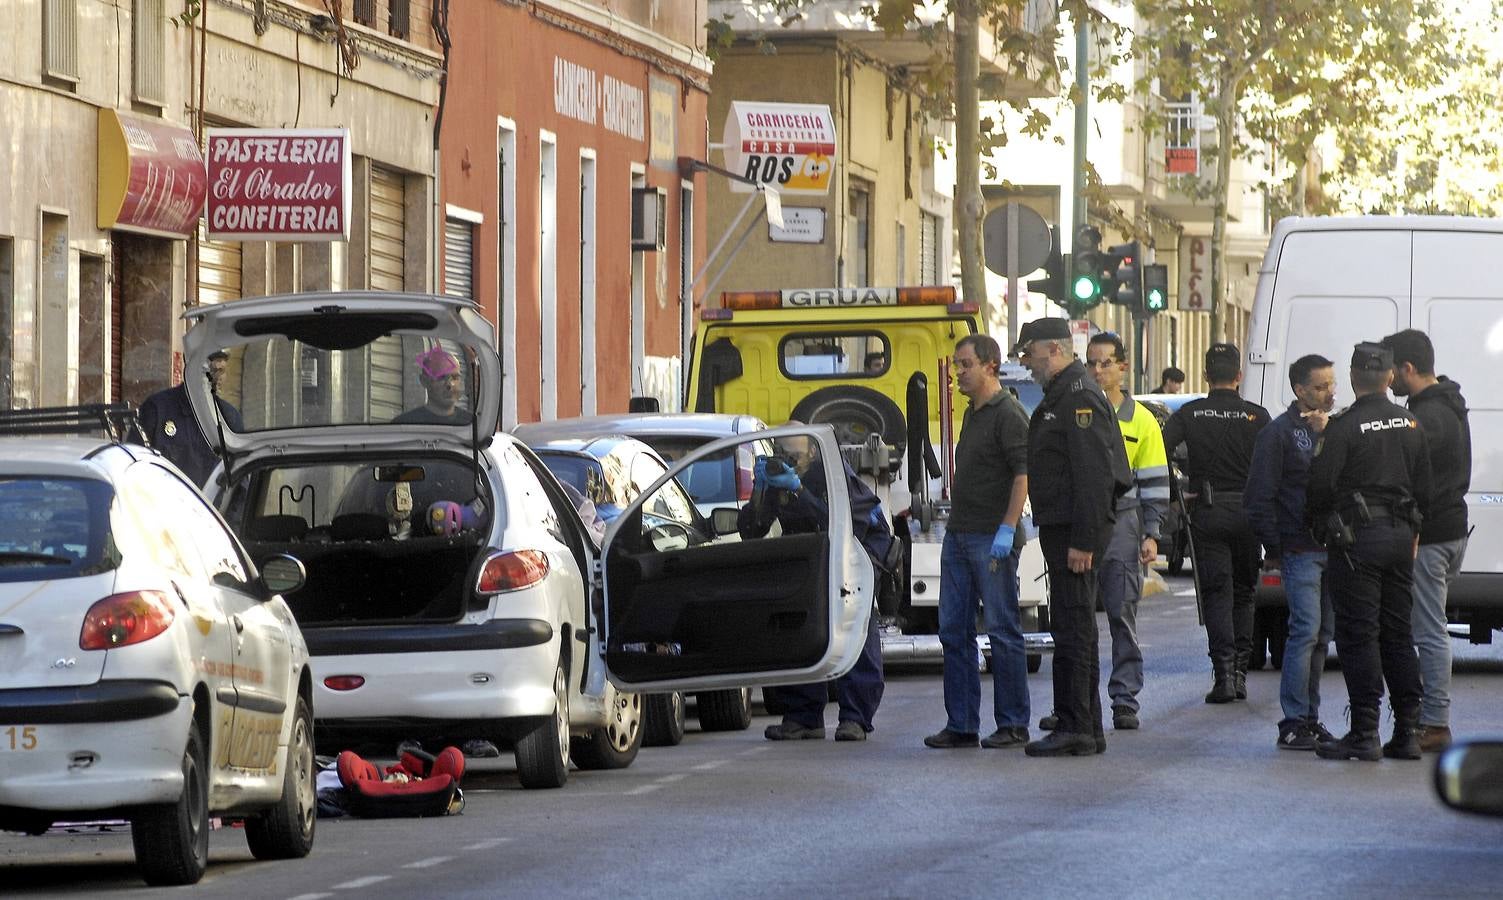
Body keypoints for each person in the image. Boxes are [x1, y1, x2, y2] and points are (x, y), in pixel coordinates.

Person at [1307, 342, 1434, 762]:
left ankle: (1364, 730)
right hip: (1401, 538)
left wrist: (1318, 528)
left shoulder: (1343, 427)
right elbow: (1426, 489)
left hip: (1357, 541)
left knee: (1359, 636)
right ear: (1390, 377)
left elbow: (1321, 488)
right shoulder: (1412, 423)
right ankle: (1408, 731)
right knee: (1398, 634)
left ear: (1352, 376)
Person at [1014, 318, 1130, 756]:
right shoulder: (1062, 396)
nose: (1027, 363)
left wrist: (1084, 538)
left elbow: (1095, 475)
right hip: (1064, 530)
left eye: (1031, 354)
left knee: (1075, 629)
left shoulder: (1077, 397)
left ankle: (1078, 725)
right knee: (1069, 626)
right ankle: (1080, 722)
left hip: (1074, 535)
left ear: (1055, 351)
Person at [739, 428, 890, 742]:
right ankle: (803, 716)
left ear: (811, 453)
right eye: (780, 451)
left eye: (791, 454)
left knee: (853, 632)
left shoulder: (836, 477)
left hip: (854, 558)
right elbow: (751, 530)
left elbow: (841, 523)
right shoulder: (779, 479)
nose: (786, 460)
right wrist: (759, 493)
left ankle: (856, 718)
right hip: (810, 561)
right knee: (797, 632)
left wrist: (799, 490)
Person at [922, 335, 1032, 750]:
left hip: (991, 538)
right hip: (960, 535)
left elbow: (1023, 474)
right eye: (956, 365)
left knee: (1002, 630)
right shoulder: (973, 414)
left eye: (965, 364)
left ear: (990, 366)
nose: (958, 373)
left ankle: (1013, 723)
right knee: (953, 630)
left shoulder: (1009, 414)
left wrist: (1007, 529)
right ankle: (962, 723)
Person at [1161, 343, 1270, 704]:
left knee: (1216, 593)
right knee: (1244, 592)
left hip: (1207, 511)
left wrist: (1177, 494)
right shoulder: (1257, 416)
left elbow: (1159, 451)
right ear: (1239, 376)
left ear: (1206, 376)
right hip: (1249, 513)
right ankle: (1240, 672)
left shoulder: (1190, 414)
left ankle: (1223, 674)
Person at [1382, 328, 1470, 753]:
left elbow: (1408, 472)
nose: (1388, 379)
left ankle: (1435, 723)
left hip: (1431, 535)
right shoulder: (1447, 405)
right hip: (1452, 529)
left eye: (1392, 369)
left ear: (1408, 368)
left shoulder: (1426, 417)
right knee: (1429, 625)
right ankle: (1430, 717)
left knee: (1429, 630)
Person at [1245, 354, 1338, 751]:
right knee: (1305, 631)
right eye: (1320, 386)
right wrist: (1276, 545)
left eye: (1331, 385)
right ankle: (1293, 720)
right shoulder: (1279, 432)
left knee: (1321, 636)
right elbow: (1260, 495)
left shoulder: (1336, 429)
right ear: (1300, 390)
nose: (1329, 392)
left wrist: (1326, 437)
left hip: (1333, 547)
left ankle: (1310, 717)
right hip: (1298, 547)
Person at [1079, 332, 1170, 731]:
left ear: (1123, 367)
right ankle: (1078, 700)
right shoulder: (1077, 411)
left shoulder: (1142, 420)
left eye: (1105, 363)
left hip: (1123, 520)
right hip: (1081, 520)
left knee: (1120, 610)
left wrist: (1151, 533)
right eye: (1091, 363)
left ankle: (1124, 698)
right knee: (1077, 615)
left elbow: (1154, 482)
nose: (1097, 370)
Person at [138, 348, 244, 488]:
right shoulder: (157, 410)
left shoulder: (230, 419)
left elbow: (241, 485)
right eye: (213, 371)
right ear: (191, 370)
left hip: (211, 510)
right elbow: (135, 470)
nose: (218, 379)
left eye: (222, 371)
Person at [394, 346, 475, 425]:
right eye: (441, 377)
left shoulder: (473, 424)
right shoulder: (404, 424)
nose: (450, 384)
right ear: (424, 381)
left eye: (455, 377)